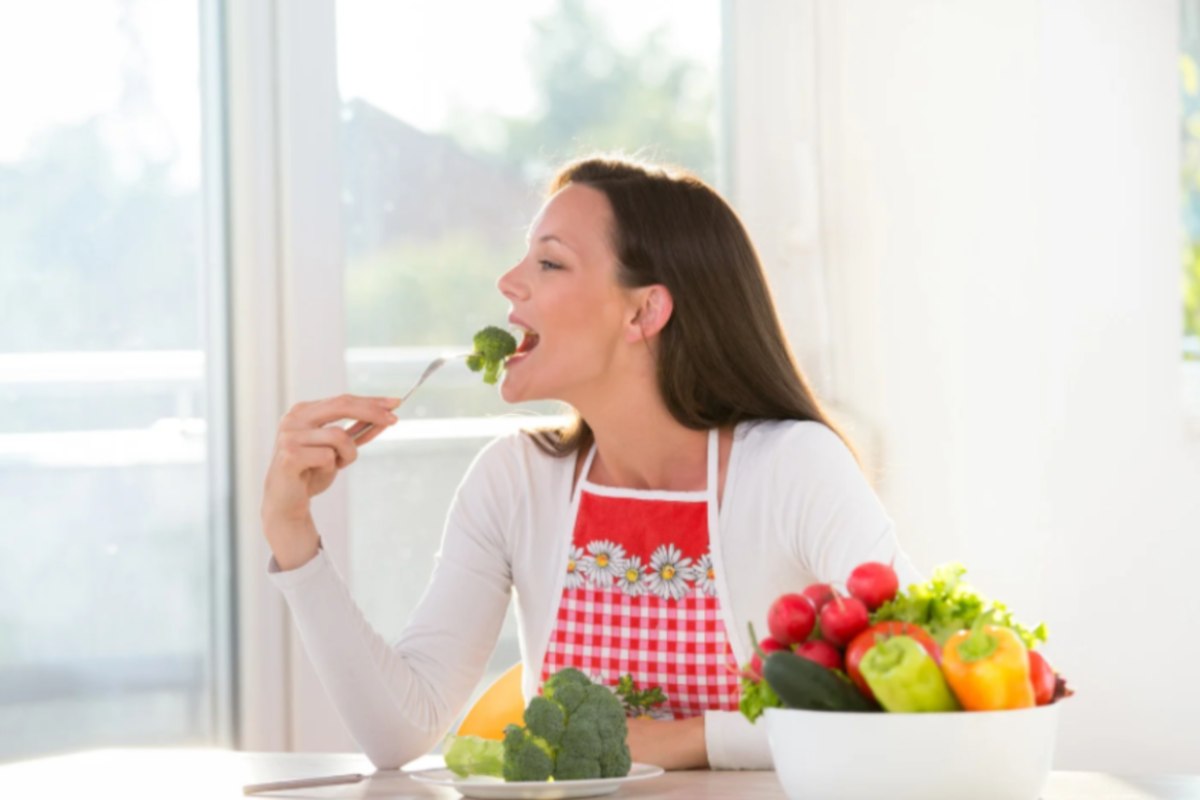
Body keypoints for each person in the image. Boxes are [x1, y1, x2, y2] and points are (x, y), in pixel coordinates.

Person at [261, 156, 920, 772]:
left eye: (550, 263)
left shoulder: (791, 467)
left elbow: (921, 685)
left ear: (644, 310)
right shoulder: (514, 481)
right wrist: (291, 532)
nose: (508, 282)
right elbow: (398, 732)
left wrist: (684, 739)